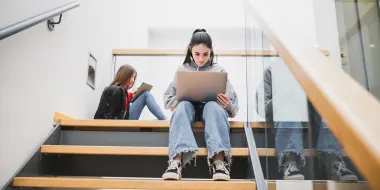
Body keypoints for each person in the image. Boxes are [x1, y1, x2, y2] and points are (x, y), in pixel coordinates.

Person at [161, 29, 239, 181]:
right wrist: (181, 98)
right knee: (183, 106)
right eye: (197, 54)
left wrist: (227, 105)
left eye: (205, 54)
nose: (201, 59)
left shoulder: (219, 70)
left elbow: (234, 109)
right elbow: (168, 100)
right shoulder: (182, 70)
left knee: (213, 106)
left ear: (211, 52)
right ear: (191, 50)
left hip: (211, 111)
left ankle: (219, 163)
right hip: (187, 109)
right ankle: (175, 162)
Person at [262, 66, 358, 181]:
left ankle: (333, 161)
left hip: (312, 119)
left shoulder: (313, 69)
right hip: (285, 118)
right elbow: (264, 109)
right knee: (288, 103)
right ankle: (290, 161)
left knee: (328, 103)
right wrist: (284, 95)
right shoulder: (271, 71)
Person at [96, 64, 167, 120]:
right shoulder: (116, 90)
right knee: (146, 95)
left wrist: (130, 94)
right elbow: (117, 113)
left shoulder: (116, 90)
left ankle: (163, 119)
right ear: (124, 76)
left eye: (134, 77)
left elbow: (120, 108)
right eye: (131, 77)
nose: (133, 80)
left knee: (145, 94)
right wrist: (129, 93)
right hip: (120, 123)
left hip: (122, 119)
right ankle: (164, 120)